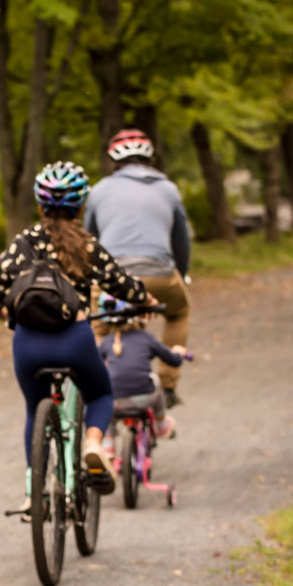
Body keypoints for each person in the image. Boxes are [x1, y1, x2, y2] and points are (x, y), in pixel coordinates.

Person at [0, 160, 151, 505]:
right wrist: (146, 298)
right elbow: (121, 284)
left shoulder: (22, 244)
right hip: (75, 340)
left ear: (40, 204)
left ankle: (34, 491)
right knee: (101, 394)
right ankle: (91, 443)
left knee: (34, 409)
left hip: (27, 343)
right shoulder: (86, 245)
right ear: (80, 205)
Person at [83, 129, 191, 407]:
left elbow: (89, 239)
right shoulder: (169, 189)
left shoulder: (99, 190)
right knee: (179, 312)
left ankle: (96, 388)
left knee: (99, 326)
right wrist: (183, 271)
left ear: (112, 160)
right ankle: (167, 385)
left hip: (110, 276)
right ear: (150, 158)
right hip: (159, 273)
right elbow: (181, 239)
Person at [96, 294, 186, 446]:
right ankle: (162, 424)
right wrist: (179, 353)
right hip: (143, 399)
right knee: (156, 381)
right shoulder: (145, 338)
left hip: (114, 402)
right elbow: (173, 360)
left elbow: (96, 366)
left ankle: (108, 446)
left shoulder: (106, 342)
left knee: (108, 410)